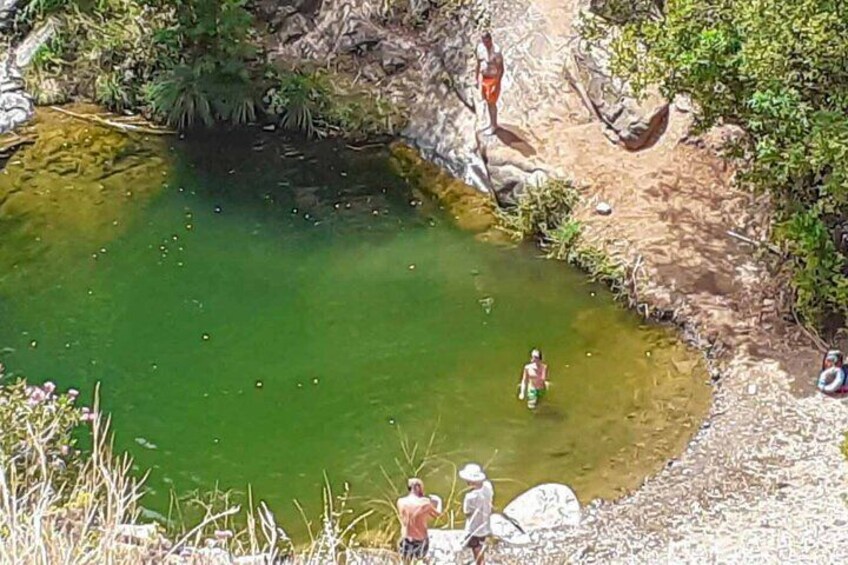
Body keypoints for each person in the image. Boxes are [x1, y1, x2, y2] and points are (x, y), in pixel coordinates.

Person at [397, 477, 441, 563]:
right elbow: (437, 515)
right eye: (422, 487)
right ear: (417, 488)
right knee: (419, 562)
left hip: (406, 538)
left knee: (405, 562)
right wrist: (438, 501)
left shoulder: (400, 501)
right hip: (420, 540)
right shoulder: (425, 503)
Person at [459, 463, 493, 565]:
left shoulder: (470, 497)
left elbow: (467, 512)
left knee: (475, 546)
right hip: (485, 524)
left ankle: (480, 563)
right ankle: (481, 561)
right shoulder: (488, 487)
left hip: (475, 527)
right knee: (481, 543)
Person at [475, 31, 504, 135]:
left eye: (487, 42)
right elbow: (478, 63)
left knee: (492, 102)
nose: (486, 44)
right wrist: (476, 78)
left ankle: (494, 125)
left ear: (491, 40)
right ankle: (491, 122)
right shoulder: (480, 48)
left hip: (493, 79)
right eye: (484, 42)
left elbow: (501, 69)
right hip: (484, 78)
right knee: (486, 101)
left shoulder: (496, 51)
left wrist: (497, 84)